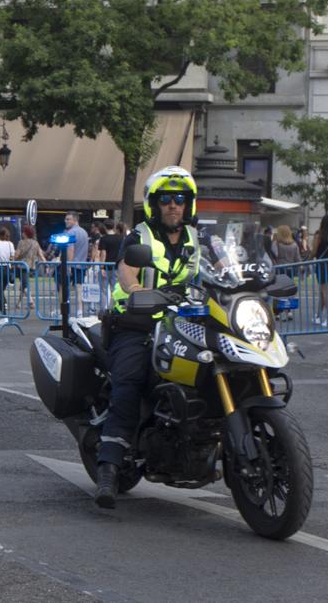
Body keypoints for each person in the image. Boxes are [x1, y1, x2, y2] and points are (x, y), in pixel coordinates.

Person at [94, 167, 200, 509]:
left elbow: (216, 273)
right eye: (166, 199)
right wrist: (138, 291)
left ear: (189, 205)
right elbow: (127, 273)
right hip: (136, 324)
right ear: (155, 204)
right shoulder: (138, 237)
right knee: (129, 382)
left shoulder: (195, 240)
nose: (173, 205)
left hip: (180, 326)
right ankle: (108, 468)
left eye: (180, 199)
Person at [62, 211, 90, 315]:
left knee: (65, 288)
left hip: (73, 263)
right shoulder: (84, 232)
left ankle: (64, 312)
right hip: (82, 264)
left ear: (75, 220)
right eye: (66, 219)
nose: (66, 221)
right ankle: (80, 311)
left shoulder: (70, 233)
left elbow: (70, 250)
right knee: (79, 288)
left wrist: (68, 264)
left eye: (68, 219)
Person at [13, 224, 45, 311]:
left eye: (23, 232)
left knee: (24, 285)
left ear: (25, 233)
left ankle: (31, 301)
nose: (22, 233)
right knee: (23, 284)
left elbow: (17, 255)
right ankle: (18, 303)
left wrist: (12, 259)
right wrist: (46, 264)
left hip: (21, 266)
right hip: (31, 266)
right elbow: (40, 255)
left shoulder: (21, 242)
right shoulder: (35, 243)